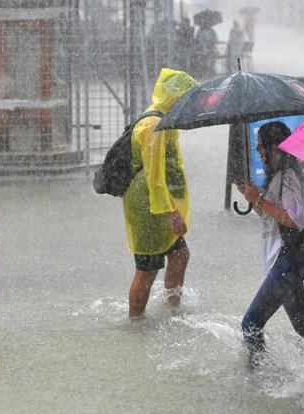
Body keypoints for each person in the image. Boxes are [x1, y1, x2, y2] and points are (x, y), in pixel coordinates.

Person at [234, 122, 304, 367]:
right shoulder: (278, 175)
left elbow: (294, 220)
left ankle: (256, 380)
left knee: (251, 323)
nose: (258, 150)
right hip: (287, 261)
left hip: (288, 262)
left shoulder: (289, 176)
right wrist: (252, 197)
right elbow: (272, 218)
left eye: (261, 146)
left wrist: (258, 198)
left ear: (273, 147)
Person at [123, 68, 198, 318]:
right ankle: (135, 323)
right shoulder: (154, 125)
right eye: (185, 97)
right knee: (147, 269)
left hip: (158, 204)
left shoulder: (165, 120)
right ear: (174, 96)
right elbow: (154, 177)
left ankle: (172, 310)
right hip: (149, 207)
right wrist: (170, 211)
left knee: (179, 254)